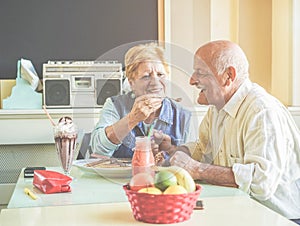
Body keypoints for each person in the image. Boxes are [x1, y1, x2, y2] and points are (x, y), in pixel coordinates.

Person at [154, 40, 300, 222]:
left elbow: (261, 182)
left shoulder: (262, 111)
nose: (192, 80)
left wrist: (197, 170)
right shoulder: (216, 109)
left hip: (277, 218)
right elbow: (203, 151)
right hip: (241, 211)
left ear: (228, 76)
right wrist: (174, 150)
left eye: (200, 72)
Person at [90, 42, 191, 158]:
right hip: (122, 176)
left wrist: (170, 149)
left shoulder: (183, 115)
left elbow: (190, 162)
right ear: (132, 83)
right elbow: (98, 149)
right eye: (146, 76)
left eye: (160, 74)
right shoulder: (115, 105)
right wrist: (132, 119)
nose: (155, 82)